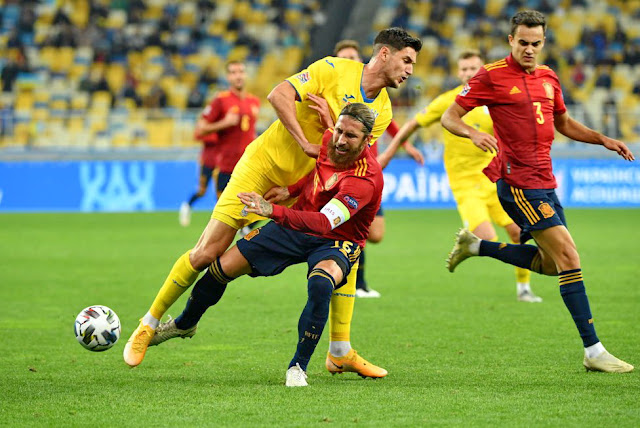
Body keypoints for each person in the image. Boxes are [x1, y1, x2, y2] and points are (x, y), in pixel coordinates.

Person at [123, 28, 422, 378]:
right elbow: (278, 95)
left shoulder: (382, 111)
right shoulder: (333, 69)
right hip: (262, 166)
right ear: (384, 54)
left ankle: (339, 350)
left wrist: (301, 178)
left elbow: (349, 159)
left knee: (348, 246)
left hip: (302, 186)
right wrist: (306, 143)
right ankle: (149, 322)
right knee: (207, 252)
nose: (410, 70)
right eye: (406, 60)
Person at [442, 10, 634, 373]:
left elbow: (563, 122)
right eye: (523, 43)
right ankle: (593, 351)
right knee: (570, 257)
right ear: (511, 40)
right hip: (517, 185)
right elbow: (449, 117)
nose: (529, 49)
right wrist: (473, 132)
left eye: (536, 43)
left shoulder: (548, 77)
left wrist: (602, 139)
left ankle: (477, 246)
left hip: (546, 181)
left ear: (543, 42)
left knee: (550, 264)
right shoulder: (492, 76)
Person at [150, 104, 382, 387]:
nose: (341, 140)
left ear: (367, 140)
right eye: (340, 131)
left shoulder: (365, 180)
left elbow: (323, 223)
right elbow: (319, 171)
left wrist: (271, 210)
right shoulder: (331, 139)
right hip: (296, 225)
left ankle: (298, 366)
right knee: (221, 267)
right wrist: (292, 190)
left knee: (322, 283)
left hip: (337, 238)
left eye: (351, 136)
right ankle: (185, 323)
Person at [384, 50, 542, 303]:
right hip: (465, 184)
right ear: (458, 72)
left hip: (495, 181)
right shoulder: (447, 101)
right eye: (464, 69)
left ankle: (523, 288)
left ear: (481, 71)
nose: (469, 73)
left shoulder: (492, 100)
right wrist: (399, 149)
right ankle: (469, 245)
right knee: (488, 238)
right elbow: (413, 123)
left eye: (473, 69)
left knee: (519, 234)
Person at [334, 39, 425, 298]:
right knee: (351, 229)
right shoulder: (336, 89)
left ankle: (349, 278)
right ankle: (353, 283)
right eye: (345, 58)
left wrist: (405, 146)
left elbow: (390, 122)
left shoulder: (373, 93)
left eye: (354, 56)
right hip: (345, 171)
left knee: (374, 233)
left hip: (369, 172)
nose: (350, 61)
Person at [179, 61, 260, 227]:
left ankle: (245, 236)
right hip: (225, 166)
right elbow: (200, 129)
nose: (238, 75)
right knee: (224, 213)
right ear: (228, 77)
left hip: (247, 165)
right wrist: (224, 123)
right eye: (233, 72)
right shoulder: (221, 100)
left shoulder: (254, 102)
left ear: (245, 74)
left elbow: (250, 131)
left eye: (241, 71)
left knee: (257, 207)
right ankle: (187, 206)